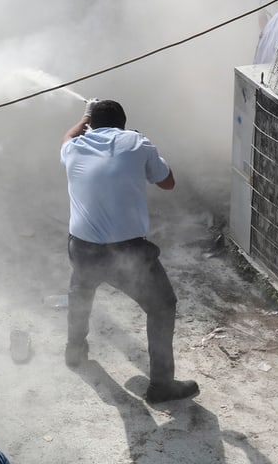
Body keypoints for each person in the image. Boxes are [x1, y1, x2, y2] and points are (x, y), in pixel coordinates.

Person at [61, 99, 200, 405]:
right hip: (126, 252)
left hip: (82, 248)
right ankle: (161, 385)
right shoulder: (138, 143)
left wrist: (84, 115)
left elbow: (68, 136)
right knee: (162, 306)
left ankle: (74, 350)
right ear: (123, 125)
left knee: (81, 291)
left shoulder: (73, 147)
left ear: (90, 125)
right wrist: (143, 147)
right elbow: (168, 182)